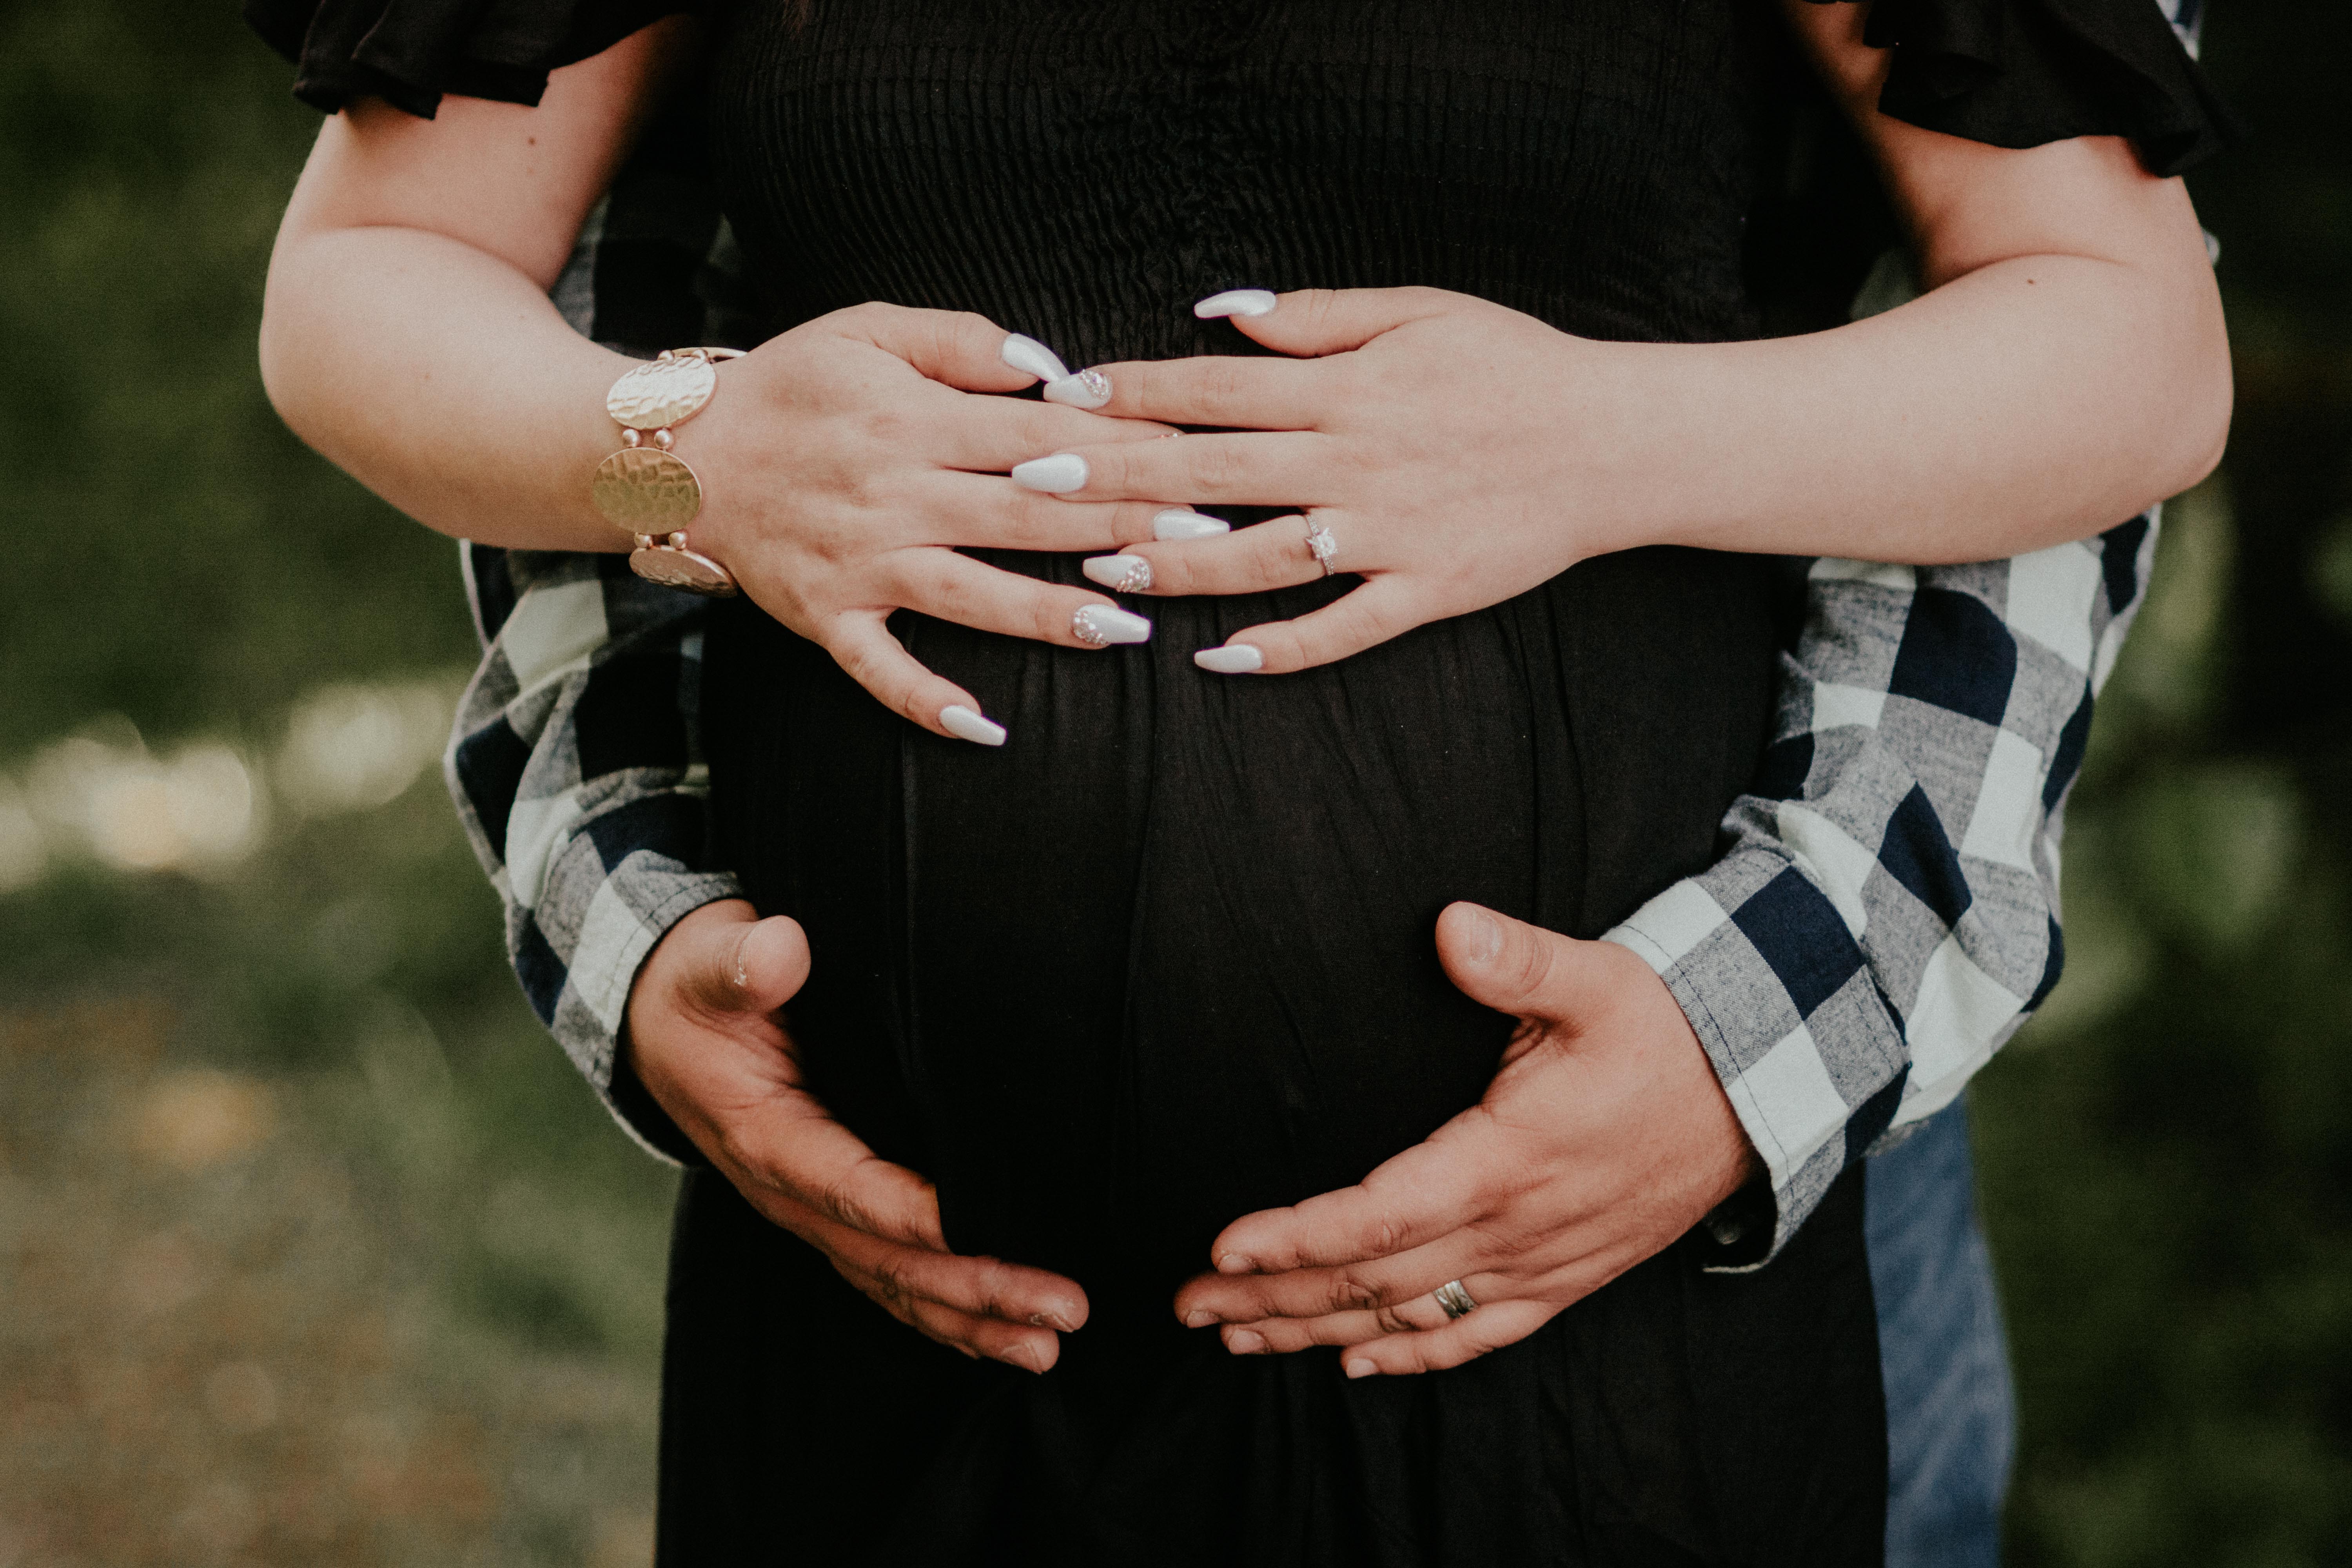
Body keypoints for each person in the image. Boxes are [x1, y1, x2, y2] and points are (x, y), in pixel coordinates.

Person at [250, 0, 2231, 1559]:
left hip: (1597, 1304)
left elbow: (2126, 346)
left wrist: (1603, 441)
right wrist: (689, 459)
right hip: (906, 1331)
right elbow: (377, 283)